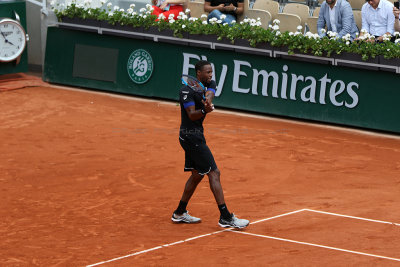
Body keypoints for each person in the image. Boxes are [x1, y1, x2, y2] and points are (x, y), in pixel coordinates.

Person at [171, 60, 249, 229]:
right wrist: (205, 110)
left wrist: (207, 100)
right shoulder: (186, 91)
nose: (211, 75)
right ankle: (225, 217)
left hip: (197, 136)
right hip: (190, 137)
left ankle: (179, 212)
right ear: (198, 73)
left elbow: (210, 94)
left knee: (198, 174)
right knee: (214, 173)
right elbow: (192, 115)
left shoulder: (209, 83)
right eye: (207, 72)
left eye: (211, 72)